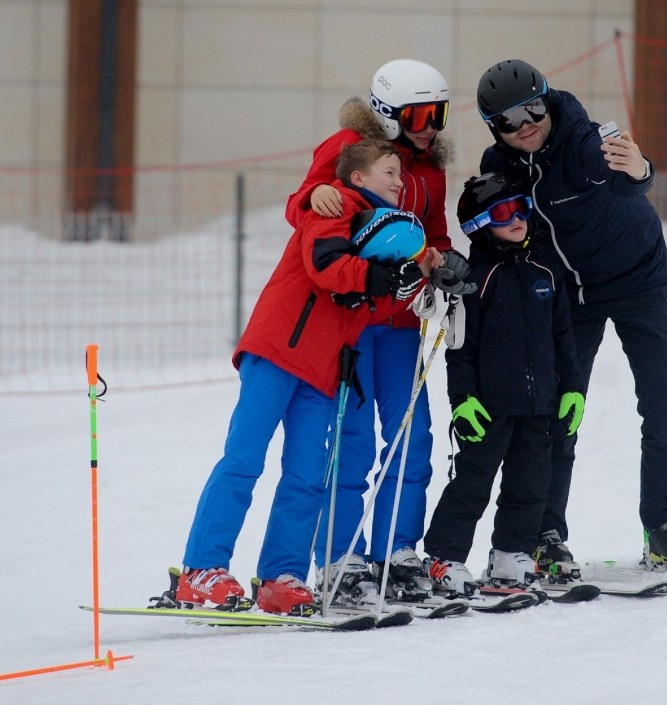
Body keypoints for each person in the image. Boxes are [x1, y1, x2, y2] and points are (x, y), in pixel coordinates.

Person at [177, 139, 440, 614]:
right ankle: (200, 569)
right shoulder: (335, 204)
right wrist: (374, 277)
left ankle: (282, 575)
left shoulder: (386, 233)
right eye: (389, 171)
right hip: (279, 350)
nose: (399, 181)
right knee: (244, 459)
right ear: (358, 177)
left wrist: (420, 273)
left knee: (306, 477)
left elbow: (369, 303)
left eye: (401, 174)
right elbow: (326, 266)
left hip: (322, 373)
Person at [475, 59, 667, 574]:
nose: (525, 124)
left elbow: (628, 180)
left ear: (548, 99)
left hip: (639, 282)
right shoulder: (501, 164)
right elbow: (492, 226)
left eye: (532, 108)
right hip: (567, 298)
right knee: (554, 414)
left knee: (664, 403)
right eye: (508, 120)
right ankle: (544, 533)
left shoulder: (585, 139)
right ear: (495, 128)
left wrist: (639, 167)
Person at [286, 59, 472, 602]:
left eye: (436, 113)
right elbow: (307, 207)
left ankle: (396, 550)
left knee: (413, 436)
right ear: (389, 111)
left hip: (401, 320)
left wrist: (447, 261)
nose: (429, 124)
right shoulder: (348, 147)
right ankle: (341, 560)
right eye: (418, 113)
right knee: (354, 439)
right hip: (352, 320)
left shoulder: (430, 171)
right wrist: (309, 198)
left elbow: (432, 234)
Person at [422, 172, 585, 595]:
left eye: (521, 209)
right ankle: (444, 557)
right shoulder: (475, 280)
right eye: (502, 213)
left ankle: (511, 553)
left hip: (541, 405)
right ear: (478, 225)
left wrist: (572, 389)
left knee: (531, 484)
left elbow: (564, 339)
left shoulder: (546, 271)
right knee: (471, 484)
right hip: (489, 406)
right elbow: (460, 349)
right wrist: (463, 400)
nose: (516, 219)